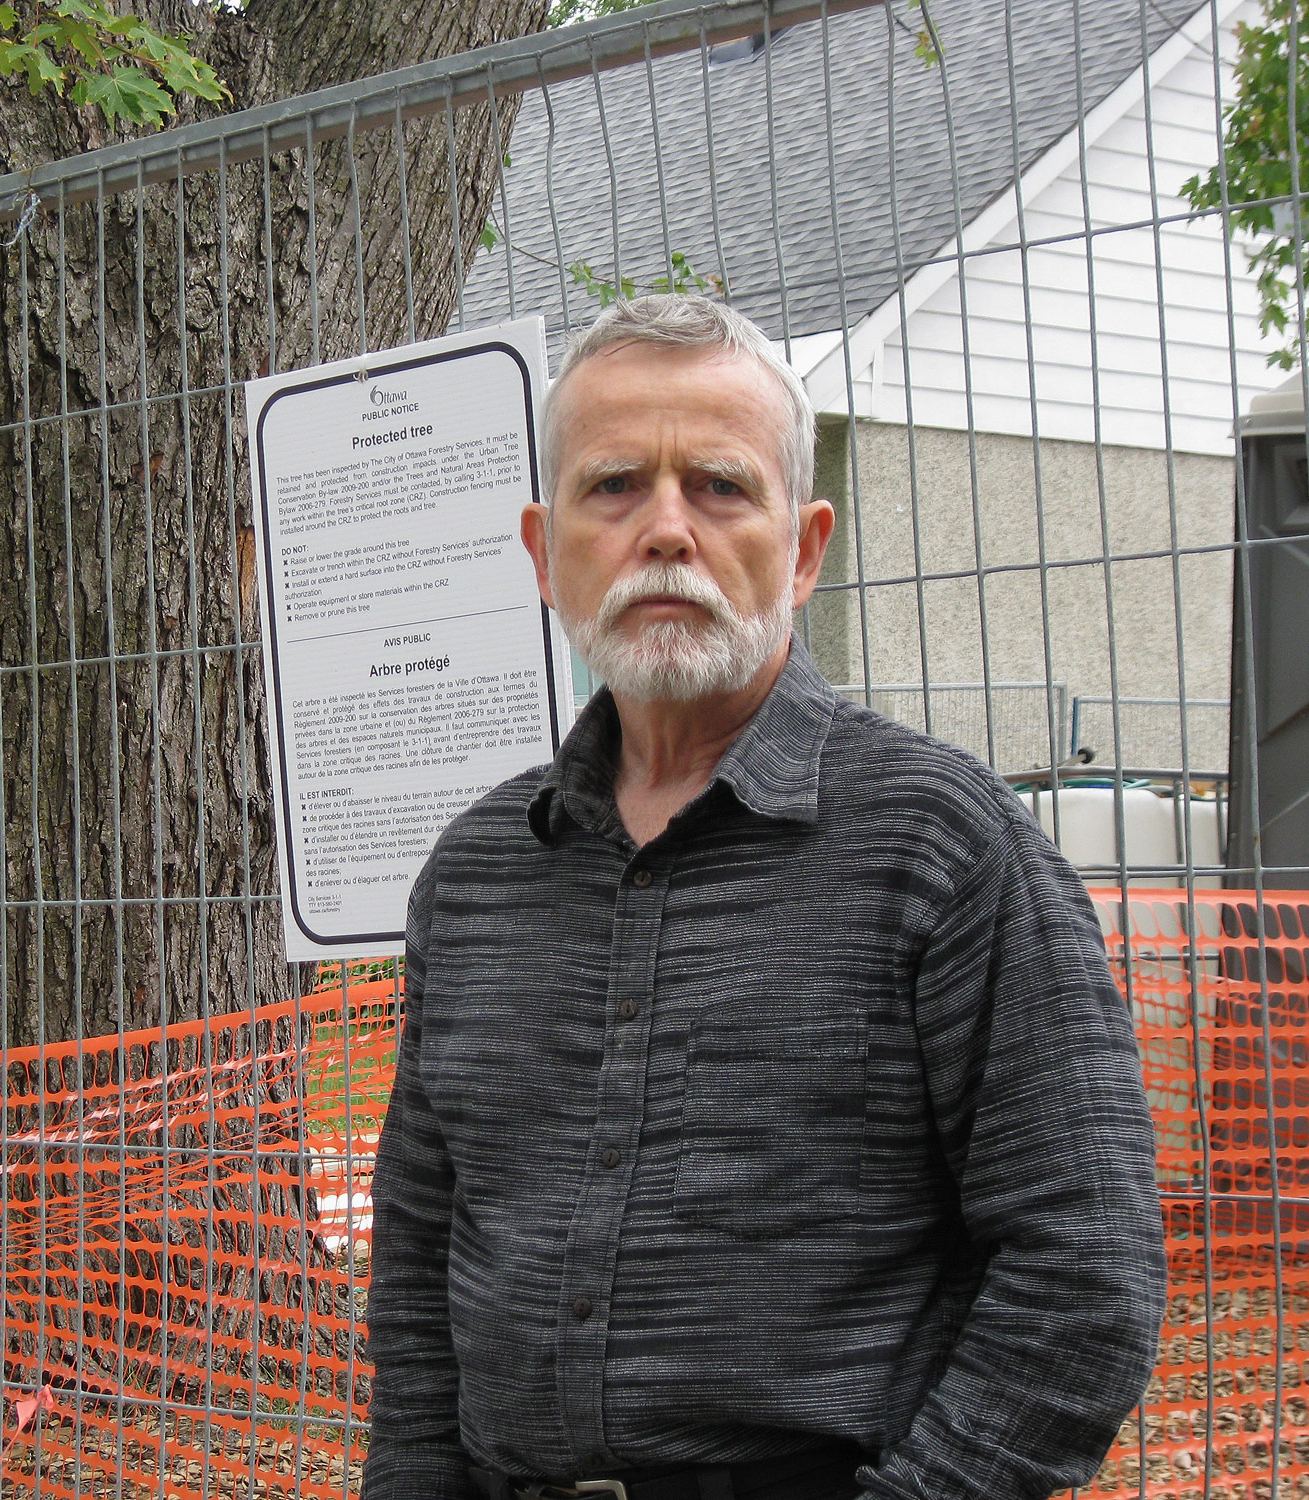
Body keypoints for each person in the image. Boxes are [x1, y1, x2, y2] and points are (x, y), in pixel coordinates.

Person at [360, 295, 1166, 1500]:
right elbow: (420, 1261)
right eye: (615, 485)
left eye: (722, 486)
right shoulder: (475, 875)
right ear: (542, 550)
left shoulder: (944, 846)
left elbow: (1082, 1270)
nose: (666, 531)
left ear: (803, 546)